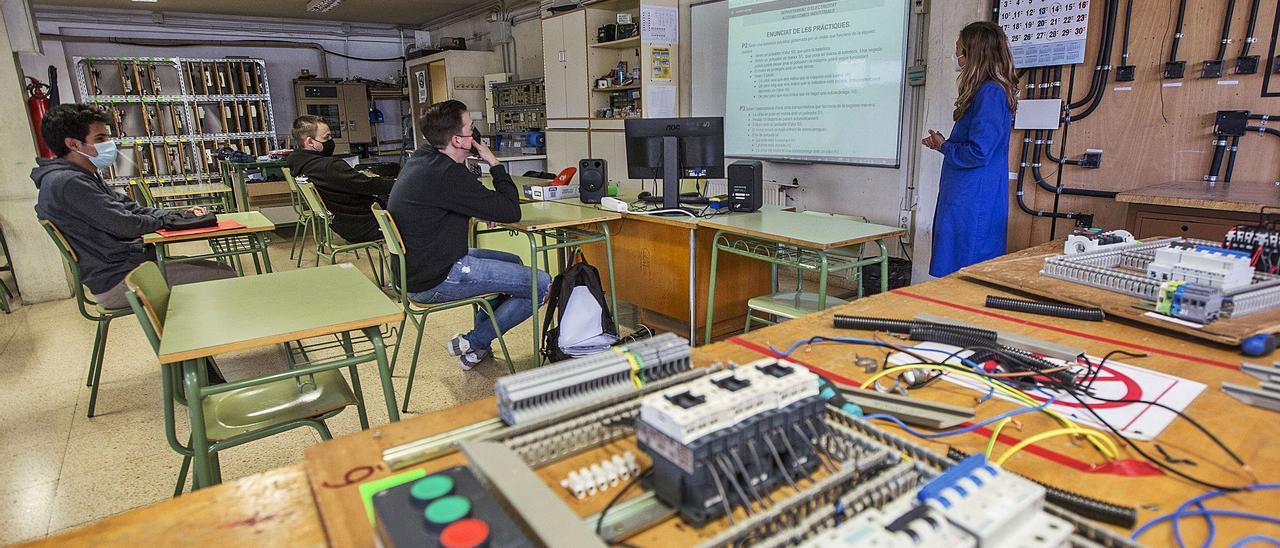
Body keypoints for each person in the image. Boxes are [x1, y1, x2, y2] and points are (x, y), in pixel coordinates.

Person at [388, 100, 550, 370]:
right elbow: (511, 211)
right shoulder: (448, 174)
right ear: (458, 140)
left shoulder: (423, 159)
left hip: (413, 271)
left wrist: (477, 206)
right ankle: (474, 341)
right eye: (471, 130)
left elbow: (451, 201)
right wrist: (494, 163)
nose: (475, 136)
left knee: (514, 262)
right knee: (541, 284)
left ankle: (478, 348)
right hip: (438, 277)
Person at [32, 103, 235, 309]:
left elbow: (129, 207)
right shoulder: (69, 183)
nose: (110, 143)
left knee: (217, 268)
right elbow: (126, 224)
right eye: (100, 139)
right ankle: (205, 339)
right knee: (224, 275)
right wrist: (168, 219)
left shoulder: (81, 175)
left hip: (124, 268)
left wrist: (176, 214)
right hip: (119, 280)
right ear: (73, 145)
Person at [922, 21, 1018, 278]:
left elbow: (978, 152)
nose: (957, 58)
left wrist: (945, 146)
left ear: (975, 56)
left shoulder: (990, 93)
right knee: (955, 268)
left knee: (966, 270)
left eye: (960, 52)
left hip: (973, 197)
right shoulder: (986, 92)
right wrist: (945, 145)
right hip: (966, 193)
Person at [286, 115, 394, 243]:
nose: (331, 141)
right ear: (310, 142)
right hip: (367, 225)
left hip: (344, 225)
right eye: (326, 138)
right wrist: (401, 183)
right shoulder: (329, 166)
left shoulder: (300, 164)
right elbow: (369, 185)